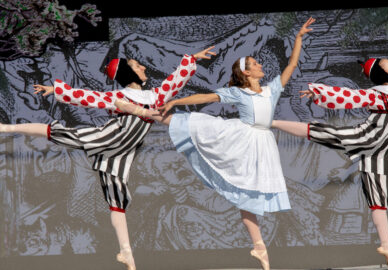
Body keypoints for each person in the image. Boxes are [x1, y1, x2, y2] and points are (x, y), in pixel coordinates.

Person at [114, 17, 315, 270]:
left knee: (247, 193)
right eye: (255, 64)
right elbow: (206, 96)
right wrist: (176, 102)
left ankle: (259, 246)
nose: (260, 65)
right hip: (238, 136)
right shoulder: (237, 92)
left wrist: (298, 37)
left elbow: (292, 64)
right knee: (188, 122)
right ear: (246, 72)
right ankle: (139, 110)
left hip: (262, 144)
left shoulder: (271, 89)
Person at [0, 46, 216, 270]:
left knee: (117, 198)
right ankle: (5, 128)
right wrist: (54, 89)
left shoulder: (155, 96)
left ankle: (127, 256)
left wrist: (191, 59)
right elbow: (87, 97)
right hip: (109, 137)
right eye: (136, 65)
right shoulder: (119, 96)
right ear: (127, 73)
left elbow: (174, 82)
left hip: (121, 151)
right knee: (63, 134)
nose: (143, 67)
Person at [271, 17, 388, 269]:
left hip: (386, 148)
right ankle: (273, 123)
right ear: (381, 73)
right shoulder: (375, 94)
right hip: (370, 137)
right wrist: (318, 92)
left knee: (379, 195)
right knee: (326, 133)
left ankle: (386, 244)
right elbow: (349, 96)